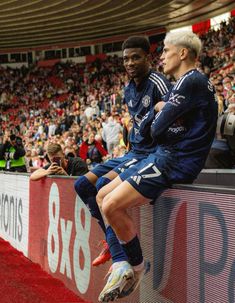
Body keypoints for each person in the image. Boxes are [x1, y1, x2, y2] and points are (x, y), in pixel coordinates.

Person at [96, 31, 218, 302]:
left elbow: (155, 128)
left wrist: (159, 116)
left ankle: (135, 268)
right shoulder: (184, 83)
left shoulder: (191, 81)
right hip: (165, 154)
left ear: (183, 53)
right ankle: (121, 262)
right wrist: (159, 114)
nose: (161, 56)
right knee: (102, 193)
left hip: (175, 160)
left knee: (110, 205)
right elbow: (154, 126)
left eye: (165, 50)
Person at [74, 36, 172, 267]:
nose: (129, 63)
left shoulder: (158, 83)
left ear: (148, 57)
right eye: (126, 59)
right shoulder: (128, 88)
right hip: (133, 151)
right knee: (81, 185)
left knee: (100, 188)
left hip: (150, 153)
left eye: (136, 57)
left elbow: (172, 116)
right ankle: (113, 242)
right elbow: (135, 121)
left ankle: (120, 255)